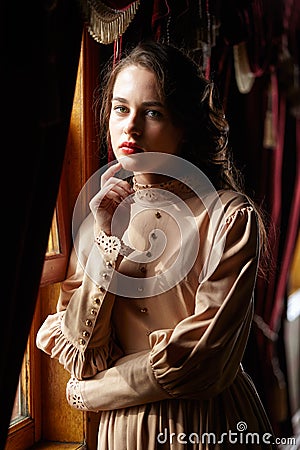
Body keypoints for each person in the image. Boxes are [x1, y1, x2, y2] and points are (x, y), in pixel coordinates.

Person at [36, 40, 277, 449]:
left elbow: (204, 361)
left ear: (184, 126)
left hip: (208, 425)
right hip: (122, 434)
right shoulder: (98, 218)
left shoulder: (230, 217)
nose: (129, 127)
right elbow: (82, 351)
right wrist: (105, 242)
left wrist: (96, 392)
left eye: (152, 113)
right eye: (120, 108)